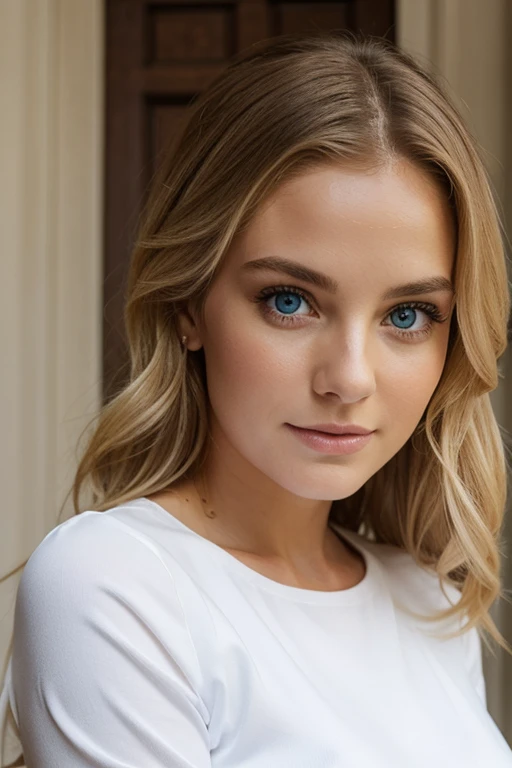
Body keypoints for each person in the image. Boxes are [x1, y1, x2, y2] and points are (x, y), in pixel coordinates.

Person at [1, 30, 512, 768]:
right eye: (289, 301)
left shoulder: (429, 600)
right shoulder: (115, 585)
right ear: (187, 303)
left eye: (407, 316)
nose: (349, 377)